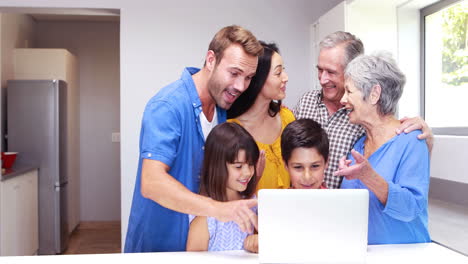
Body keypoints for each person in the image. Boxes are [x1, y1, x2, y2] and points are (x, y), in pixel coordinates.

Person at [125, 25, 264, 253]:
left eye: (248, 77)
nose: (241, 86)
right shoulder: (168, 107)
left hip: (196, 245)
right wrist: (217, 209)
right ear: (211, 60)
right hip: (160, 245)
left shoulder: (220, 109)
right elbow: (151, 183)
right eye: (234, 73)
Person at [294, 31, 434, 189]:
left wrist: (426, 141)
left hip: (340, 209)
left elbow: (396, 150)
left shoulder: (367, 118)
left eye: (331, 72)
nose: (322, 79)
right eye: (320, 70)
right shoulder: (305, 102)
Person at [336, 52, 431, 244]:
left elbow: (412, 207)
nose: (343, 99)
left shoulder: (412, 140)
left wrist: (369, 177)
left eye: (349, 91)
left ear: (374, 94)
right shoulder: (359, 145)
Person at [244, 118, 330, 253]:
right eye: (298, 167)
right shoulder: (274, 206)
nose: (307, 177)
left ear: (326, 162)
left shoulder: (338, 205)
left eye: (315, 166)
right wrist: (255, 241)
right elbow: (257, 242)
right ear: (285, 165)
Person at [227, 42, 294, 190]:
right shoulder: (232, 131)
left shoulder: (287, 117)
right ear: (259, 80)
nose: (286, 77)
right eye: (278, 73)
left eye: (284, 70)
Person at [186, 122, 259, 251]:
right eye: (238, 166)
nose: (248, 172)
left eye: (251, 164)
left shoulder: (253, 204)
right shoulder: (205, 216)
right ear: (217, 166)